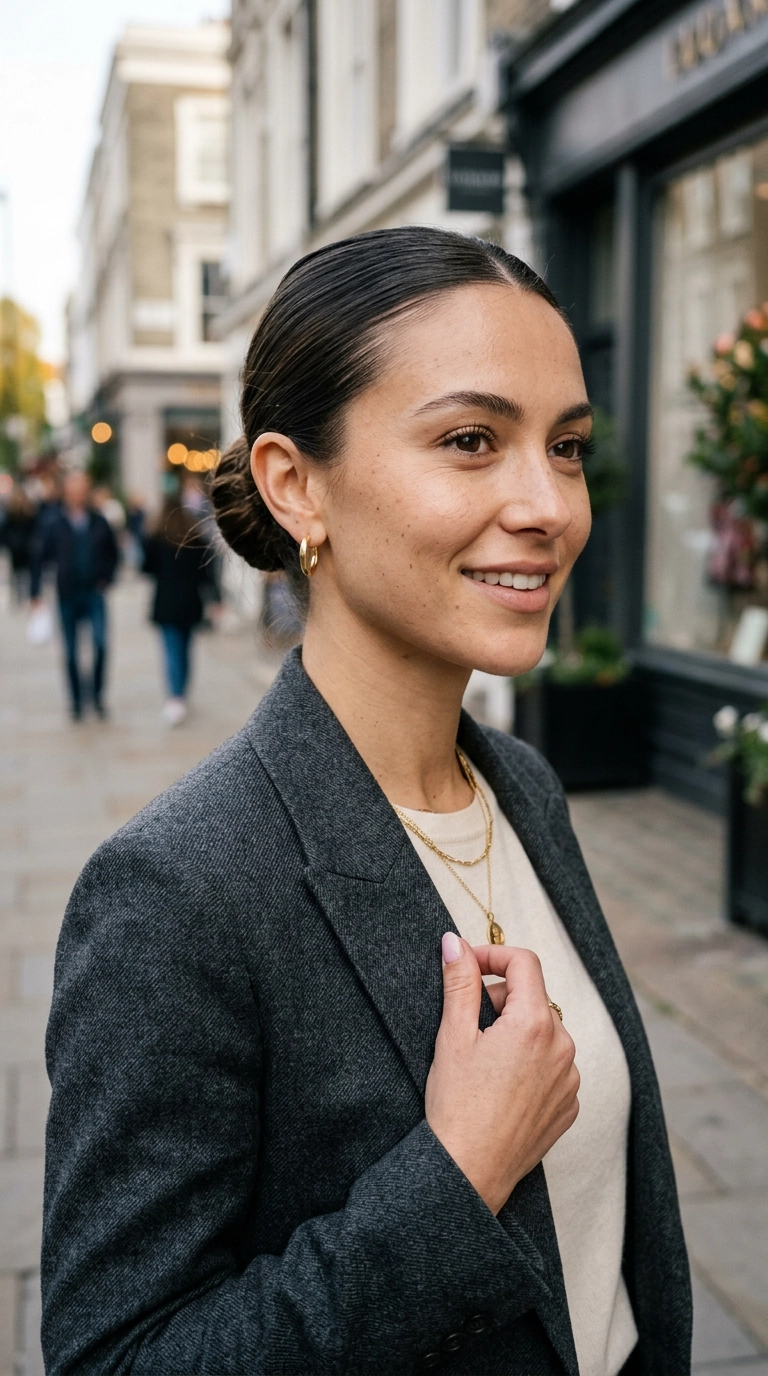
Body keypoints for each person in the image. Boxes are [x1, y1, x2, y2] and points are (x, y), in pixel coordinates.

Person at [41, 229, 691, 1375]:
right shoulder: (181, 890)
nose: (549, 503)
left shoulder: (524, 785)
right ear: (298, 484)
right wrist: (455, 1174)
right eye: (472, 440)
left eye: (570, 446)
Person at [30, 469, 119, 720]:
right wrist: (34, 592)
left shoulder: (98, 520)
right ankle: (77, 700)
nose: (80, 493)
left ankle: (97, 696)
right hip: (67, 593)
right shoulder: (52, 521)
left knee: (101, 644)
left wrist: (107, 577)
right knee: (70, 652)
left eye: (84, 488)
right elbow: (39, 557)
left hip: (94, 592)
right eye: (75, 488)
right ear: (67, 491)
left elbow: (113, 553)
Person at [141, 495, 220, 724]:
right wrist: (215, 599)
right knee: (185, 650)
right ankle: (181, 693)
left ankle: (175, 696)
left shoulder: (156, 538)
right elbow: (206, 573)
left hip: (166, 602)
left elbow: (146, 568)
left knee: (171, 650)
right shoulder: (195, 538)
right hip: (190, 602)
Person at [1, 483, 36, 602]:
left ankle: (26, 595)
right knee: (17, 574)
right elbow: (5, 531)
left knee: (26, 574)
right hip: (16, 549)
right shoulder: (10, 514)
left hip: (26, 549)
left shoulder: (29, 513)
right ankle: (19, 596)